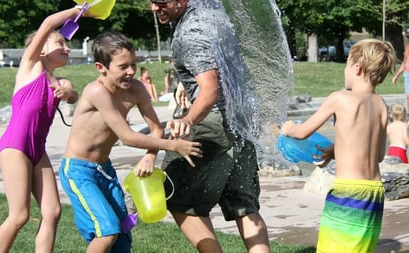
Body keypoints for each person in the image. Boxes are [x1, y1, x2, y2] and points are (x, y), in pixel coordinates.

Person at [58, 30, 202, 253]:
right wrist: (173, 146)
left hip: (104, 170)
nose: (131, 71)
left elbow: (156, 129)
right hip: (79, 171)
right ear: (101, 68)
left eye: (133, 64)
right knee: (107, 230)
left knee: (122, 235)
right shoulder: (96, 91)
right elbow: (126, 136)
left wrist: (150, 156)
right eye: (123, 67)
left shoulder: (136, 89)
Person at [151, 1, 270, 252]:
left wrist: (187, 119)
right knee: (244, 205)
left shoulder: (191, 32)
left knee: (176, 196)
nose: (154, 7)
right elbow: (219, 66)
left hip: (213, 121)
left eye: (161, 2)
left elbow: (211, 89)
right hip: (242, 120)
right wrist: (186, 81)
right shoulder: (212, 14)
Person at [281, 39, 397, 253]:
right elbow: (378, 154)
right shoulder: (381, 105)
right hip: (374, 194)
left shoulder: (340, 99)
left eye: (346, 64)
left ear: (357, 67)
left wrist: (288, 129)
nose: (345, 71)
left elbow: (302, 131)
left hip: (348, 193)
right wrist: (336, 149)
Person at [0, 7, 86, 252]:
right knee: (19, 215)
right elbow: (48, 23)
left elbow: (72, 93)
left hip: (38, 151)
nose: (67, 48)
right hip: (15, 147)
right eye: (61, 43)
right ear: (43, 49)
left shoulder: (60, 81)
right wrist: (77, 10)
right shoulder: (30, 66)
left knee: (53, 211)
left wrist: (69, 93)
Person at [392, 28, 409, 109]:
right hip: (407, 74)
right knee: (408, 97)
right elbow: (404, 63)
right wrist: (396, 76)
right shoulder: (407, 48)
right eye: (407, 36)